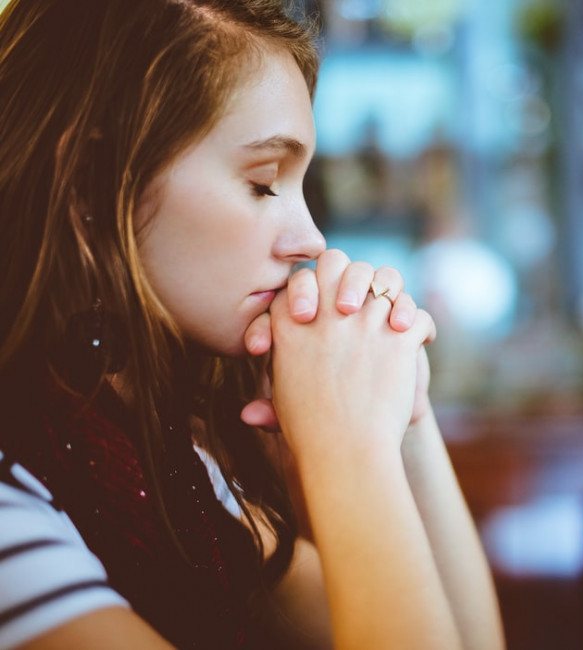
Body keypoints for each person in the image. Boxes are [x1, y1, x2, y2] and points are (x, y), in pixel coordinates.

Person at [0, 0, 505, 648]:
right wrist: (346, 450)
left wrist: (400, 411)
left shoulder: (163, 459)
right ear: (96, 186)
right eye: (264, 181)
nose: (311, 239)